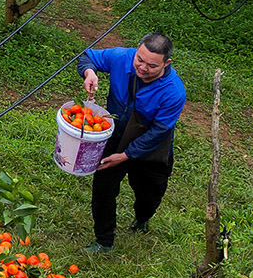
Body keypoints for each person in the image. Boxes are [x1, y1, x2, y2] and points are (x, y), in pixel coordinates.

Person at [75, 32, 187, 255]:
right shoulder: (121, 57)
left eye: (152, 65)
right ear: (137, 50)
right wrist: (89, 73)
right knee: (103, 187)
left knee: (150, 193)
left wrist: (126, 156)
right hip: (115, 135)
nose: (143, 68)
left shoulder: (174, 92)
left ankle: (142, 217)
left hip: (150, 144)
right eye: (140, 59)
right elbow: (87, 56)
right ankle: (104, 241)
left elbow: (159, 131)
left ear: (167, 63)